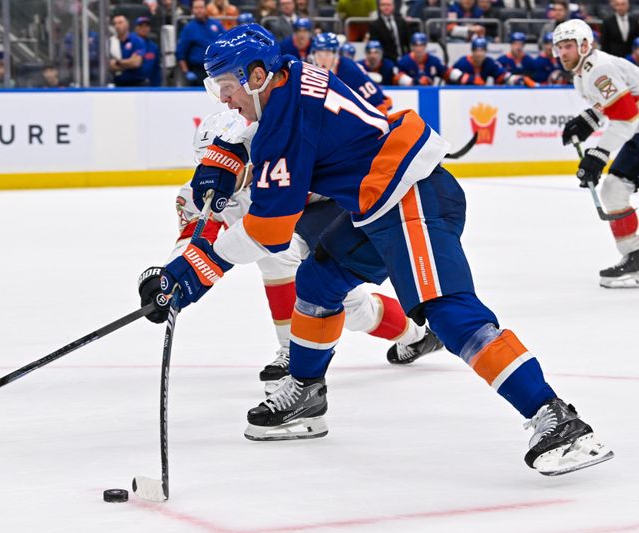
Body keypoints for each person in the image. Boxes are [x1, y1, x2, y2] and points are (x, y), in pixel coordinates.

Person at [160, 23, 613, 475]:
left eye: (225, 86)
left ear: (256, 76)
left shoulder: (284, 124)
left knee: (450, 313)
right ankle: (306, 391)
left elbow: (269, 231)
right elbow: (249, 129)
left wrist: (194, 271)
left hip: (410, 197)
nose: (222, 99)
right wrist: (224, 155)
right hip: (379, 202)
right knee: (319, 280)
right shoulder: (291, 74)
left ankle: (554, 416)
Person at [139, 110, 443, 389]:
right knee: (353, 309)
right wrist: (168, 278)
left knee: (277, 251)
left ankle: (290, 351)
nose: (214, 177)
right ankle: (418, 336)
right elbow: (195, 239)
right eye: (205, 166)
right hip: (287, 232)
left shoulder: (282, 168)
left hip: (328, 218)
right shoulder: (197, 193)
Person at [556, 19, 639, 287]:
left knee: (614, 189)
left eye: (568, 46)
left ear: (584, 45)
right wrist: (587, 120)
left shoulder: (598, 68)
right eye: (559, 47)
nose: (563, 52)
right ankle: (635, 258)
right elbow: (613, 107)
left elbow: (627, 117)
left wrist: (598, 154)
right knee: (613, 190)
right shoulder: (582, 72)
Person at [311, 32, 391, 113]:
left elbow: (377, 102)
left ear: (336, 54)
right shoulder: (312, 68)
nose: (323, 60)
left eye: (327, 54)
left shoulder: (349, 70)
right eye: (319, 55)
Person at [177, 0, 225, 85]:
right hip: (197, 72)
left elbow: (226, 44)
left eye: (201, 7)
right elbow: (180, 53)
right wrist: (186, 72)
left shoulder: (216, 25)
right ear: (192, 10)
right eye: (196, 8)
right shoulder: (189, 28)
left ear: (206, 9)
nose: (199, 10)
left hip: (217, 70)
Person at [449, 37, 526, 85]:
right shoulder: (463, 62)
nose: (479, 54)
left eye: (482, 50)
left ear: (485, 51)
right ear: (472, 51)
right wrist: (469, 79)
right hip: (462, 95)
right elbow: (449, 74)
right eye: (476, 50)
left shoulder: (489, 62)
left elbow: (502, 75)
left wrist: (517, 79)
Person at [112, 14, 147, 87]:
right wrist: (128, 63)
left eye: (120, 23)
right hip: (118, 84)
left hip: (137, 84)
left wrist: (118, 62)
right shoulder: (111, 42)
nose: (117, 26)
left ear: (127, 24)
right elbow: (110, 66)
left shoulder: (136, 40)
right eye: (115, 23)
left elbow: (136, 63)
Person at [135, 16, 161, 86]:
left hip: (150, 85)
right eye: (141, 26)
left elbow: (156, 69)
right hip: (133, 84)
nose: (144, 29)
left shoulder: (153, 47)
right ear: (136, 28)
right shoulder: (130, 44)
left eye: (146, 26)